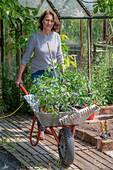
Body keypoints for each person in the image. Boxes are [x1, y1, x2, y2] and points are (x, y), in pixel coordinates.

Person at [15, 10, 64, 140]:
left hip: (53, 73)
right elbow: (26, 58)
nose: (49, 23)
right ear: (42, 21)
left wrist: (63, 76)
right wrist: (19, 76)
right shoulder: (35, 37)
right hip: (38, 73)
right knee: (42, 99)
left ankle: (47, 126)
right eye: (47, 20)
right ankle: (40, 129)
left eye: (51, 21)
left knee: (52, 100)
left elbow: (60, 58)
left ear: (54, 23)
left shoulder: (56, 37)